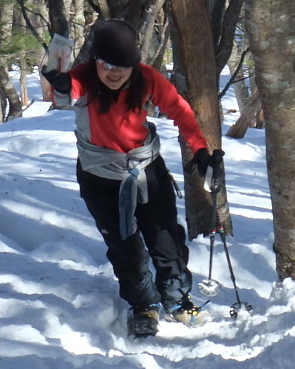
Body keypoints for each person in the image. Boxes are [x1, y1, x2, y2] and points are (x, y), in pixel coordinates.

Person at [42, 19, 213, 337]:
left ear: (134, 64)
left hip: (147, 170)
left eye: (122, 65)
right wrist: (60, 86)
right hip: (100, 177)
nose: (113, 72)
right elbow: (67, 94)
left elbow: (181, 111)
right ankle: (143, 306)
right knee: (126, 248)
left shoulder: (147, 78)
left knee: (166, 241)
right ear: (95, 60)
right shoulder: (84, 78)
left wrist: (200, 150)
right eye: (106, 64)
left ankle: (176, 299)